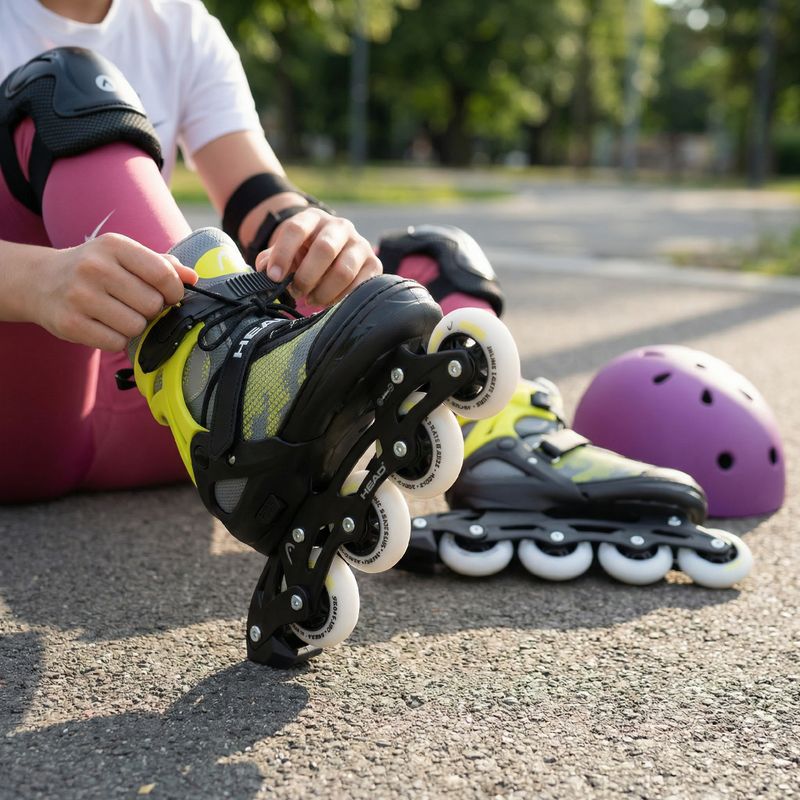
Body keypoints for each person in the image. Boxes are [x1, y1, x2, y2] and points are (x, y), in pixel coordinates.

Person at [0, 0, 394, 502]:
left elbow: (255, 193)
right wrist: (37, 281)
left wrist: (310, 238)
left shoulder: (179, 21)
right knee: (65, 86)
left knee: (424, 267)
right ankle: (235, 377)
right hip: (21, 399)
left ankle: (497, 431)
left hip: (147, 398)